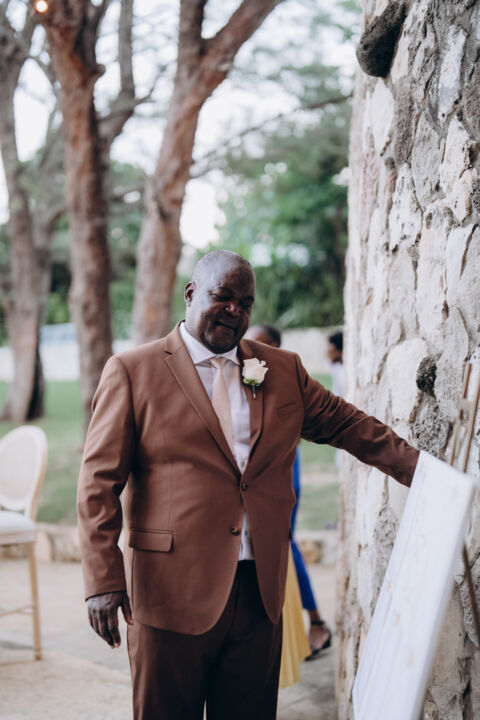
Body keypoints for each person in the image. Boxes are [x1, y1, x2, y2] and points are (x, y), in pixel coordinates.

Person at [77, 250, 419, 720]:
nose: (234, 310)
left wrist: (426, 476)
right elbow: (97, 484)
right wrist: (102, 580)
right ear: (191, 293)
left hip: (259, 594)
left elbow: (349, 425)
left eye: (246, 303)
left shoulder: (282, 369)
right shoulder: (133, 370)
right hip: (169, 591)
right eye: (223, 296)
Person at [245, 324, 331, 659]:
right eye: (248, 341)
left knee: (285, 544)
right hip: (259, 476)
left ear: (275, 347)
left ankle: (317, 622)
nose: (250, 347)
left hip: (283, 471)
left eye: (260, 343)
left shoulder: (285, 376)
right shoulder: (241, 373)